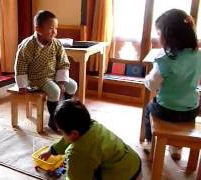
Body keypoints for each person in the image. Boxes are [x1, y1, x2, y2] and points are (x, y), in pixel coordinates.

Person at [143, 9, 201, 160]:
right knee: (183, 112)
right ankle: (176, 149)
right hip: (192, 110)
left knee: (149, 109)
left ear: (169, 36)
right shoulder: (198, 56)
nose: (158, 37)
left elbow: (152, 85)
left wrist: (146, 79)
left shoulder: (166, 59)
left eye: (158, 33)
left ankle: (150, 143)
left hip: (167, 110)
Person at [40, 100, 141, 180]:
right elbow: (68, 140)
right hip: (135, 163)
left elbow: (76, 178)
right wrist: (52, 150)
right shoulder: (91, 125)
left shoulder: (78, 152)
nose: (62, 135)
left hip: (124, 176)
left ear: (74, 133)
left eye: (62, 132)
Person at [14, 10, 77, 132]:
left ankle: (63, 113)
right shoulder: (28, 45)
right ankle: (53, 119)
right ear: (38, 29)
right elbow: (20, 65)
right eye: (51, 28)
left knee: (73, 86)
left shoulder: (56, 44)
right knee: (55, 90)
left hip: (53, 75)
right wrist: (22, 85)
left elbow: (63, 62)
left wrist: (62, 81)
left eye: (56, 28)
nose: (54, 32)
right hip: (37, 78)